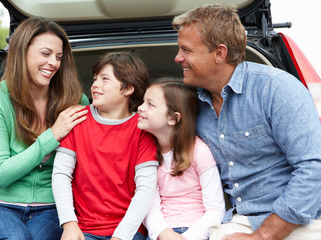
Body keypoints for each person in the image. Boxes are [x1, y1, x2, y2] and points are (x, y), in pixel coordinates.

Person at [172, 4, 321, 240]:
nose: (178, 58)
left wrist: (262, 236)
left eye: (186, 50)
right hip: (240, 220)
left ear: (219, 53)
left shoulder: (277, 89)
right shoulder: (191, 106)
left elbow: (314, 169)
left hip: (304, 218)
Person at [0, 17, 89, 240]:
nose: (53, 63)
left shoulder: (76, 101)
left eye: (59, 57)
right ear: (22, 52)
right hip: (2, 207)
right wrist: (53, 135)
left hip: (52, 209)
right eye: (45, 54)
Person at [52, 51, 158, 240]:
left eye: (105, 79)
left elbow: (145, 189)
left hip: (128, 231)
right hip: (83, 229)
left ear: (127, 89)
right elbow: (61, 174)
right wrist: (69, 224)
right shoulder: (77, 119)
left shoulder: (142, 128)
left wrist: (121, 236)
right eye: (95, 79)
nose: (95, 85)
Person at [137, 79, 226, 240]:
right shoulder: (146, 152)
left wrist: (186, 238)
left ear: (172, 118)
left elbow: (216, 210)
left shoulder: (199, 151)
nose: (140, 108)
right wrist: (164, 234)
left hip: (198, 231)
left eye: (150, 104)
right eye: (143, 102)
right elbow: (149, 205)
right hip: (161, 231)